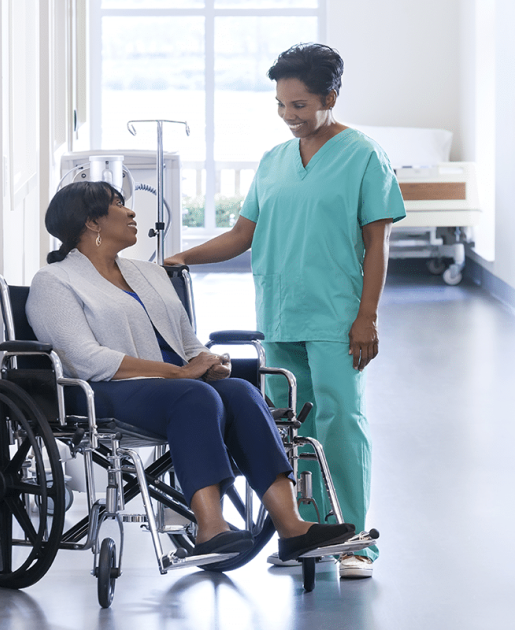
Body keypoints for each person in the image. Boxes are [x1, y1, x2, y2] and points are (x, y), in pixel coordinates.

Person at [165, 43, 406, 580]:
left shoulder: (364, 155)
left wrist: (367, 316)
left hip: (338, 316)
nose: (290, 117)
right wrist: (182, 257)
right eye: (281, 105)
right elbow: (240, 236)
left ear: (330, 97)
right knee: (287, 429)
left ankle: (355, 541)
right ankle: (307, 534)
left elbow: (377, 243)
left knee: (341, 422)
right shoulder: (274, 161)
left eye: (300, 106)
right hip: (278, 315)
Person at [26, 180, 356, 565]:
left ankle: (293, 528)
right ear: (91, 222)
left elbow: (187, 344)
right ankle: (210, 528)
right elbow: (85, 359)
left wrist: (210, 362)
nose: (132, 212)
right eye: (119, 204)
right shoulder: (54, 282)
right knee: (194, 396)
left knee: (240, 393)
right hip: (106, 390)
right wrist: (178, 374)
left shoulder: (148, 273)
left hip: (175, 388)